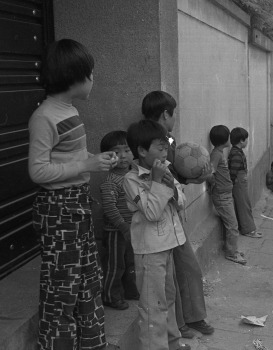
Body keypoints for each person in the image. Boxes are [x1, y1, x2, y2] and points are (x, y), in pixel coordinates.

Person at [28, 38, 113, 350]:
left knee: (88, 281)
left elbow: (69, 158)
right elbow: (38, 171)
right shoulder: (45, 117)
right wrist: (86, 163)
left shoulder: (69, 109)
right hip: (59, 211)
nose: (93, 79)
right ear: (74, 77)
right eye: (90, 73)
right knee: (61, 290)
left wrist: (96, 160)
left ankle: (91, 344)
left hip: (77, 206)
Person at [142, 91, 213, 337]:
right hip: (159, 213)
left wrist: (193, 176)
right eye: (174, 114)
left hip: (173, 209)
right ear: (165, 114)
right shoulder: (150, 141)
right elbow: (158, 176)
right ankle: (183, 323)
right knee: (178, 270)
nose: (175, 119)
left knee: (182, 267)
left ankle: (190, 319)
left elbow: (176, 174)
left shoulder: (169, 141)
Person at [124, 120, 191, 350]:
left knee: (168, 300)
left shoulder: (166, 172)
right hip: (149, 250)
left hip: (168, 245)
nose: (165, 154)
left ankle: (172, 344)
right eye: (159, 149)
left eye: (166, 148)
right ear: (142, 151)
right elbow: (152, 212)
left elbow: (181, 202)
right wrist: (156, 182)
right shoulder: (132, 180)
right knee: (153, 307)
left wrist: (170, 185)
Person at [99, 131, 139, 311]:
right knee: (116, 265)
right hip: (116, 232)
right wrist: (123, 226)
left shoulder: (134, 175)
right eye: (116, 152)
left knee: (131, 262)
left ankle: (130, 291)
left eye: (127, 150)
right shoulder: (110, 181)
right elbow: (109, 208)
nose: (123, 156)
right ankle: (110, 296)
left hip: (133, 228)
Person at [200, 125, 247, 265]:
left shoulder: (219, 153)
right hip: (221, 196)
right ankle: (231, 254)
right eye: (228, 136)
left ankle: (233, 249)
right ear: (224, 140)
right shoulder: (216, 154)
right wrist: (213, 181)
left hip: (226, 194)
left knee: (232, 224)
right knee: (233, 225)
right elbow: (210, 173)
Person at [228, 127, 263, 238]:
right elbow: (233, 171)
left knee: (243, 204)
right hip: (238, 183)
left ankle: (245, 227)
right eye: (246, 139)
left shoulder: (236, 151)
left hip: (240, 182)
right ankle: (248, 230)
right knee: (244, 205)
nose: (247, 141)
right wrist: (234, 182)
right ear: (241, 140)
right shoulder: (236, 154)